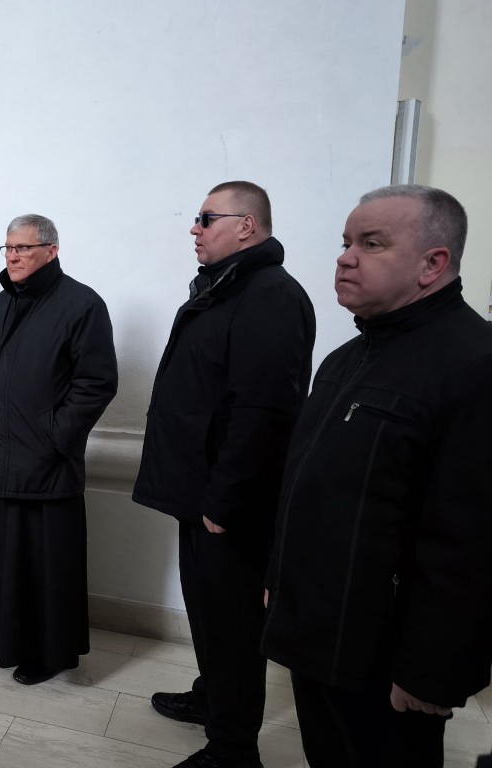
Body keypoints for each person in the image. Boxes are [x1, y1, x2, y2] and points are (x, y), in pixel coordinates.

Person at [262, 185, 492, 767]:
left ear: (432, 264)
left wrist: (432, 669)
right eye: (346, 242)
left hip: (385, 658)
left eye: (371, 243)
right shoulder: (347, 358)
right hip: (318, 632)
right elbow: (309, 487)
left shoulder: (474, 364)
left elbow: (468, 541)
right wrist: (278, 577)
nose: (345, 258)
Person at [132, 182, 316, 768]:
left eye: (206, 218)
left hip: (226, 502)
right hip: (201, 490)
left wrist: (224, 500)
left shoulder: (271, 296)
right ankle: (212, 697)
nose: (194, 227)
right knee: (209, 612)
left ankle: (233, 749)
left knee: (233, 624)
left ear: (246, 226)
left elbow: (265, 412)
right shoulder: (228, 287)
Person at [0, 214, 117, 685]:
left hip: (49, 464)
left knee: (48, 566)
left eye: (23, 248)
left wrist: (54, 436)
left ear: (51, 250)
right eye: (8, 249)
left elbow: (97, 382)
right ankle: (11, 641)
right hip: (0, 459)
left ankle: (50, 653)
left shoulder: (82, 304)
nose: (13, 257)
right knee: (7, 561)